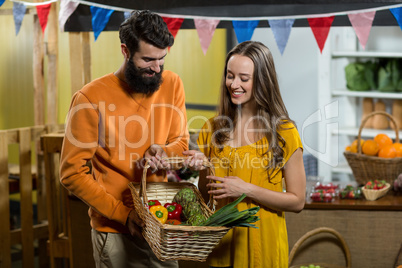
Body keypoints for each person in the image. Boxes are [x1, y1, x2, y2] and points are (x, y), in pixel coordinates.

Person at [60, 10, 189, 268]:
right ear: (125, 51)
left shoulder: (173, 84)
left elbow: (181, 145)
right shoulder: (89, 98)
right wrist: (123, 215)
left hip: (159, 223)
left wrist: (164, 151)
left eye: (162, 59)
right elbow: (71, 173)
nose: (157, 68)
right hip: (114, 229)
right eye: (148, 60)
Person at [184, 41, 306, 268]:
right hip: (221, 245)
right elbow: (205, 195)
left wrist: (246, 189)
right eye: (230, 76)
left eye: (243, 78)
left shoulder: (284, 132)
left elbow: (298, 201)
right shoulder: (211, 129)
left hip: (264, 246)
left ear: (262, 81)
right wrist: (200, 167)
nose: (234, 84)